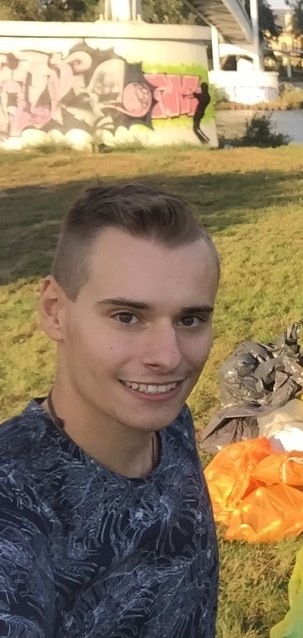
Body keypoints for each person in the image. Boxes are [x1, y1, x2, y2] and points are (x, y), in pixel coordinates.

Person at [0, 185, 220, 635]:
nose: (168, 356)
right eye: (126, 317)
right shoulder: (15, 515)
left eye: (189, 319)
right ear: (54, 311)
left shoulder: (171, 423)